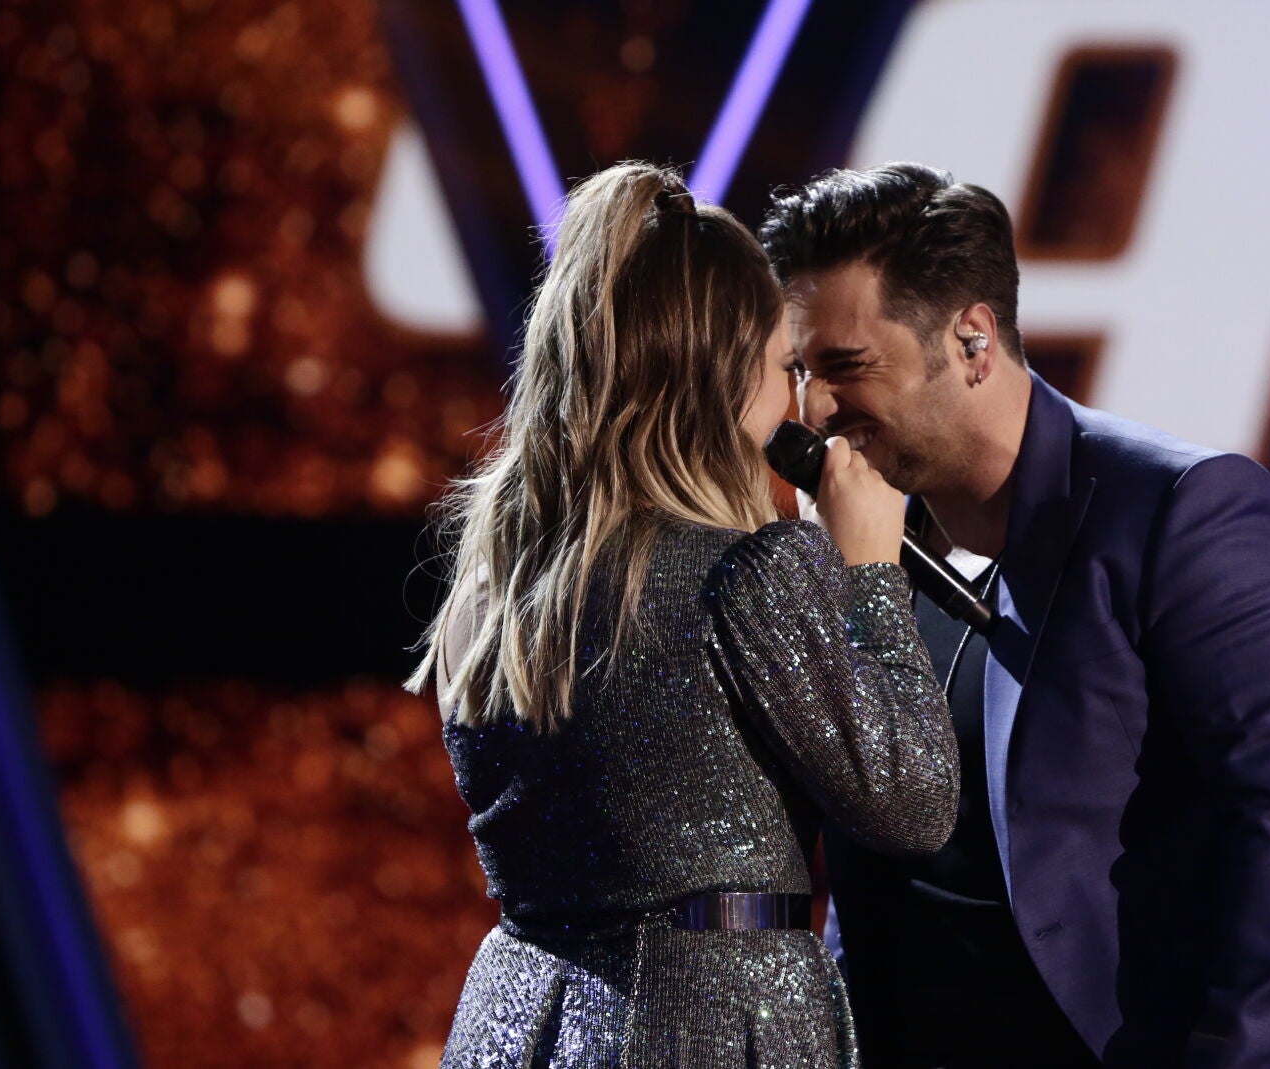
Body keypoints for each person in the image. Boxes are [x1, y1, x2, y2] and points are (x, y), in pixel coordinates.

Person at [760, 163, 1270, 1068]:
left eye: (846, 367)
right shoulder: (862, 540)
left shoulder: (1183, 507)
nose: (812, 409)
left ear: (973, 340)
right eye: (801, 370)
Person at [405, 162, 959, 1068]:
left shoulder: (491, 584)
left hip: (520, 1023)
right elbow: (915, 802)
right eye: (785, 367)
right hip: (716, 1023)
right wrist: (867, 573)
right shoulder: (749, 573)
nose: (801, 403)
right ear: (716, 373)